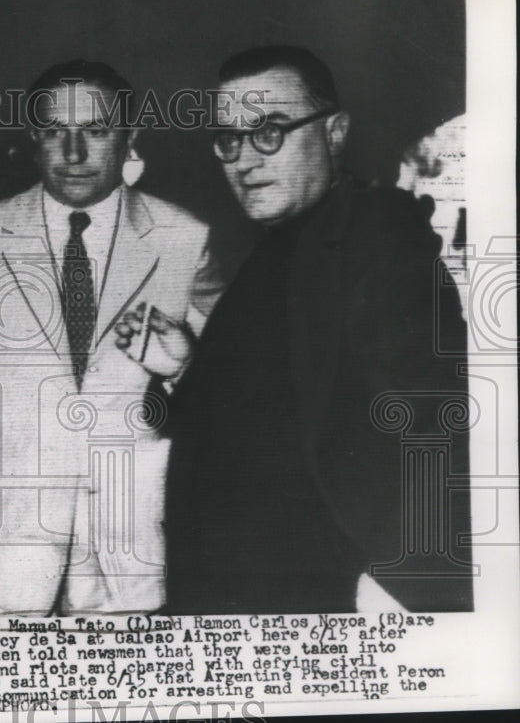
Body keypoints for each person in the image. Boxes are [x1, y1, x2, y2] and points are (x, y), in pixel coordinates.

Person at [122, 45, 472, 613]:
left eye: (270, 131)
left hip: (310, 606)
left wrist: (403, 580)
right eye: (229, 139)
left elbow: (433, 414)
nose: (243, 159)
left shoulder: (373, 231)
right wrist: (187, 365)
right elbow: (274, 418)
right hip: (233, 601)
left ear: (335, 132)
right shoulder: (283, 245)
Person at [0, 60, 210, 616]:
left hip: (133, 536)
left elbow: (222, 393)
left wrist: (182, 366)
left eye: (95, 131)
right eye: (54, 131)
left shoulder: (184, 240)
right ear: (34, 137)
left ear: (129, 137)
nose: (73, 153)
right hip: (10, 539)